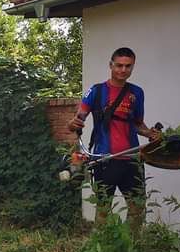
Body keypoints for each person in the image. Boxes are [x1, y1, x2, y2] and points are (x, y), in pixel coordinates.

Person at [68, 47, 161, 233]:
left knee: (137, 209)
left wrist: (150, 134)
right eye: (119, 65)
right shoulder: (96, 91)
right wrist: (73, 124)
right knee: (103, 210)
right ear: (111, 65)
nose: (123, 70)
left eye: (128, 66)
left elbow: (137, 124)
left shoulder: (137, 93)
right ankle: (101, 250)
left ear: (133, 67)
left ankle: (128, 246)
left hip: (132, 159)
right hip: (104, 159)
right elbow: (78, 119)